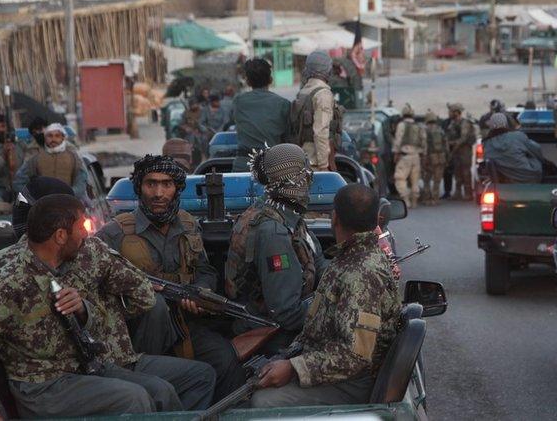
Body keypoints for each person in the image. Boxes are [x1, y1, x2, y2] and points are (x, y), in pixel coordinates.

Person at [0, 194, 216, 419]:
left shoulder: (64, 264)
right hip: (44, 386)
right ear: (60, 236)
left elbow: (135, 296)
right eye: (80, 227)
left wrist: (83, 308)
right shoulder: (10, 285)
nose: (86, 235)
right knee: (135, 398)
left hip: (81, 367)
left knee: (161, 390)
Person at [98, 155, 245, 401]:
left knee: (225, 358)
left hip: (183, 324)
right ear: (139, 188)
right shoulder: (114, 232)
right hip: (136, 332)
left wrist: (200, 292)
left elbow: (205, 269)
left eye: (166, 184)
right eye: (151, 184)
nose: (158, 193)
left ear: (176, 188)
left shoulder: (188, 225)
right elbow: (94, 283)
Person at [250, 184, 400, 408]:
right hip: (334, 368)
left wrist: (294, 368)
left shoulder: (360, 274)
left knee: (262, 403)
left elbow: (355, 357)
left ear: (334, 218)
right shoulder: (349, 258)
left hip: (354, 382)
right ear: (376, 220)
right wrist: (289, 359)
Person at [224, 144, 327, 354]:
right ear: (294, 178)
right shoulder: (274, 232)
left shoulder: (282, 213)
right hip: (271, 334)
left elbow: (318, 262)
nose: (309, 179)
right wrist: (332, 307)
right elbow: (287, 313)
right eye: (304, 173)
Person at [231, 58, 291, 172]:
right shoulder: (283, 104)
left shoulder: (238, 101)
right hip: (273, 165)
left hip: (243, 165)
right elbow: (287, 137)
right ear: (270, 79)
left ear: (248, 81)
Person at [291, 50, 340, 172]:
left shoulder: (304, 92)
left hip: (303, 158)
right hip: (316, 162)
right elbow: (321, 132)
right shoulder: (323, 94)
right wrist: (324, 166)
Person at [13, 123, 88, 199]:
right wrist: (33, 197)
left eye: (57, 136)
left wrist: (71, 194)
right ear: (45, 138)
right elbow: (18, 182)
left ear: (63, 138)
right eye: (50, 136)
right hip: (43, 205)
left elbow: (81, 181)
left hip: (69, 203)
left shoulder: (74, 157)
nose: (53, 139)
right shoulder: (35, 159)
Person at [482, 112, 544, 184]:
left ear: (491, 126)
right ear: (505, 123)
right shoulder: (517, 136)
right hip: (531, 176)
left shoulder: (487, 144)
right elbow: (537, 149)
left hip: (508, 180)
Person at [392, 104, 427, 208]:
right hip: (416, 157)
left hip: (405, 156)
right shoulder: (419, 126)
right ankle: (414, 200)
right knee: (415, 180)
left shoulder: (401, 125)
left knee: (400, 178)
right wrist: (424, 155)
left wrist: (395, 153)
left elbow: (398, 140)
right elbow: (424, 142)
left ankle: (406, 200)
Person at [445, 103, 477, 201]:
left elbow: (463, 138)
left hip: (464, 150)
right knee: (457, 172)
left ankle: (468, 193)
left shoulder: (465, 123)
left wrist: (453, 145)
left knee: (466, 172)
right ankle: (458, 193)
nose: (449, 113)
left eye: (451, 111)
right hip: (456, 151)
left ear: (456, 112)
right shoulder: (453, 123)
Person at [422, 110, 448, 205]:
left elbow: (423, 144)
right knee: (437, 180)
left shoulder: (425, 130)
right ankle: (435, 199)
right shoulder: (440, 130)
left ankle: (427, 199)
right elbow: (446, 145)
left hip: (429, 158)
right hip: (440, 158)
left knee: (426, 180)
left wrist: (423, 157)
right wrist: (447, 157)